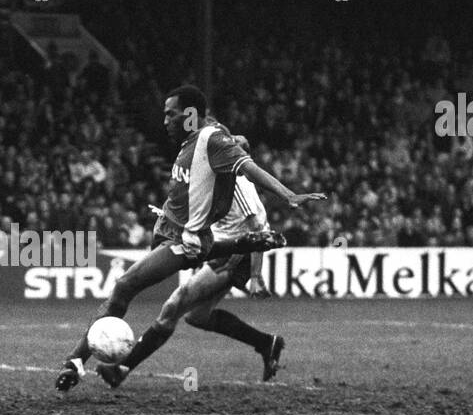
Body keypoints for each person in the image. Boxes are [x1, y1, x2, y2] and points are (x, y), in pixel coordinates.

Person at [55, 85, 326, 392]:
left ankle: (78, 362)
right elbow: (229, 142)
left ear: (190, 115)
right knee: (194, 314)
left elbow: (248, 167)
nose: (165, 120)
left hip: (188, 241)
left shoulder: (211, 141)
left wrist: (288, 195)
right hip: (190, 236)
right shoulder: (192, 142)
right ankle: (260, 320)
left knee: (127, 287)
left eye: (171, 114)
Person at [95, 136, 286, 389]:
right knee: (198, 316)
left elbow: (258, 228)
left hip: (234, 255)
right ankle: (266, 343)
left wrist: (255, 274)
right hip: (222, 250)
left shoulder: (238, 183)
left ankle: (121, 368)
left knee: (173, 306)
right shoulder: (216, 179)